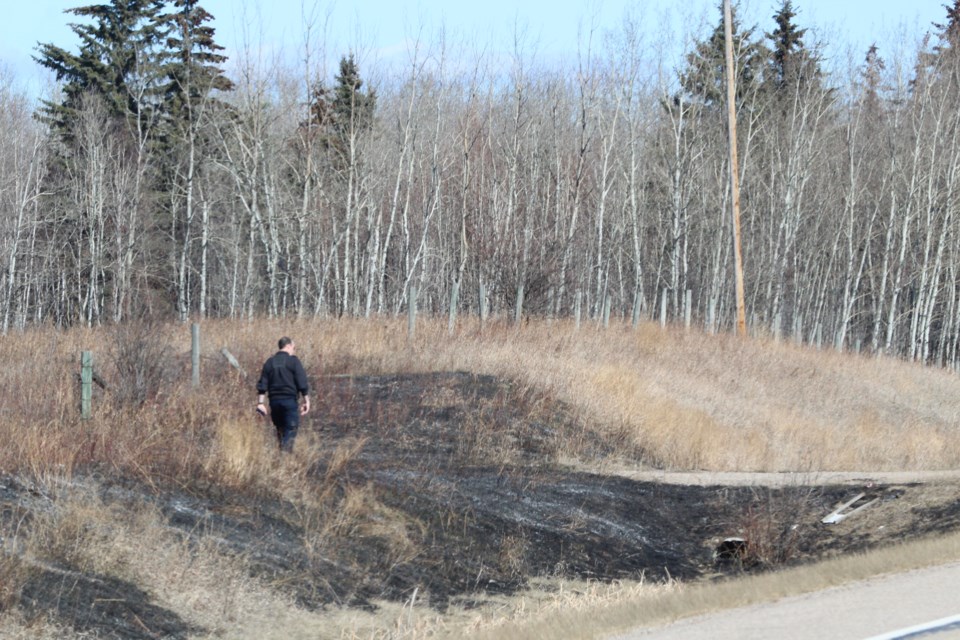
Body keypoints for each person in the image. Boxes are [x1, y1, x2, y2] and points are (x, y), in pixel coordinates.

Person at [256, 336, 311, 452]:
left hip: (274, 402)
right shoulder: (293, 361)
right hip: (289, 401)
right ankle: (284, 459)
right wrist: (307, 400)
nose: (294, 351)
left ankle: (281, 459)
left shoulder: (269, 362)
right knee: (290, 431)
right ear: (288, 346)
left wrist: (260, 403)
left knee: (280, 431)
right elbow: (302, 382)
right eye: (294, 348)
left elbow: (263, 384)